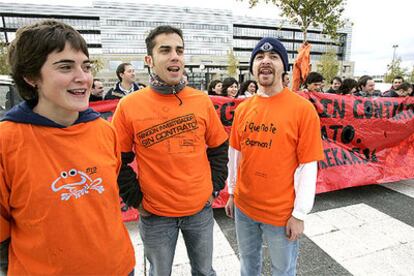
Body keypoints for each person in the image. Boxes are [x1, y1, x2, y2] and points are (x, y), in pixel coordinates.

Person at [0, 20, 135, 275]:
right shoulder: (6, 141)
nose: (82, 77)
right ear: (30, 77)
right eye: (65, 67)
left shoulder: (104, 131)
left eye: (85, 66)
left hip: (119, 267)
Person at [112, 25, 229, 276]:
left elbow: (219, 146)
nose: (175, 56)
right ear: (149, 60)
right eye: (165, 50)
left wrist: (214, 187)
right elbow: (117, 160)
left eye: (179, 50)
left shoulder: (200, 100)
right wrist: (137, 199)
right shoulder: (128, 105)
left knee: (205, 272)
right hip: (155, 215)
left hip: (199, 210)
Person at [225, 37, 324, 276]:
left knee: (283, 269)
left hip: (281, 213)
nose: (265, 61)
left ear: (284, 67)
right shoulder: (243, 109)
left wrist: (299, 214)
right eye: (259, 57)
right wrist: (231, 192)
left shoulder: (303, 110)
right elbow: (235, 154)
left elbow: (308, 165)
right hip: (244, 208)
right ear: (252, 68)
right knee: (248, 265)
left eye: (273, 57)